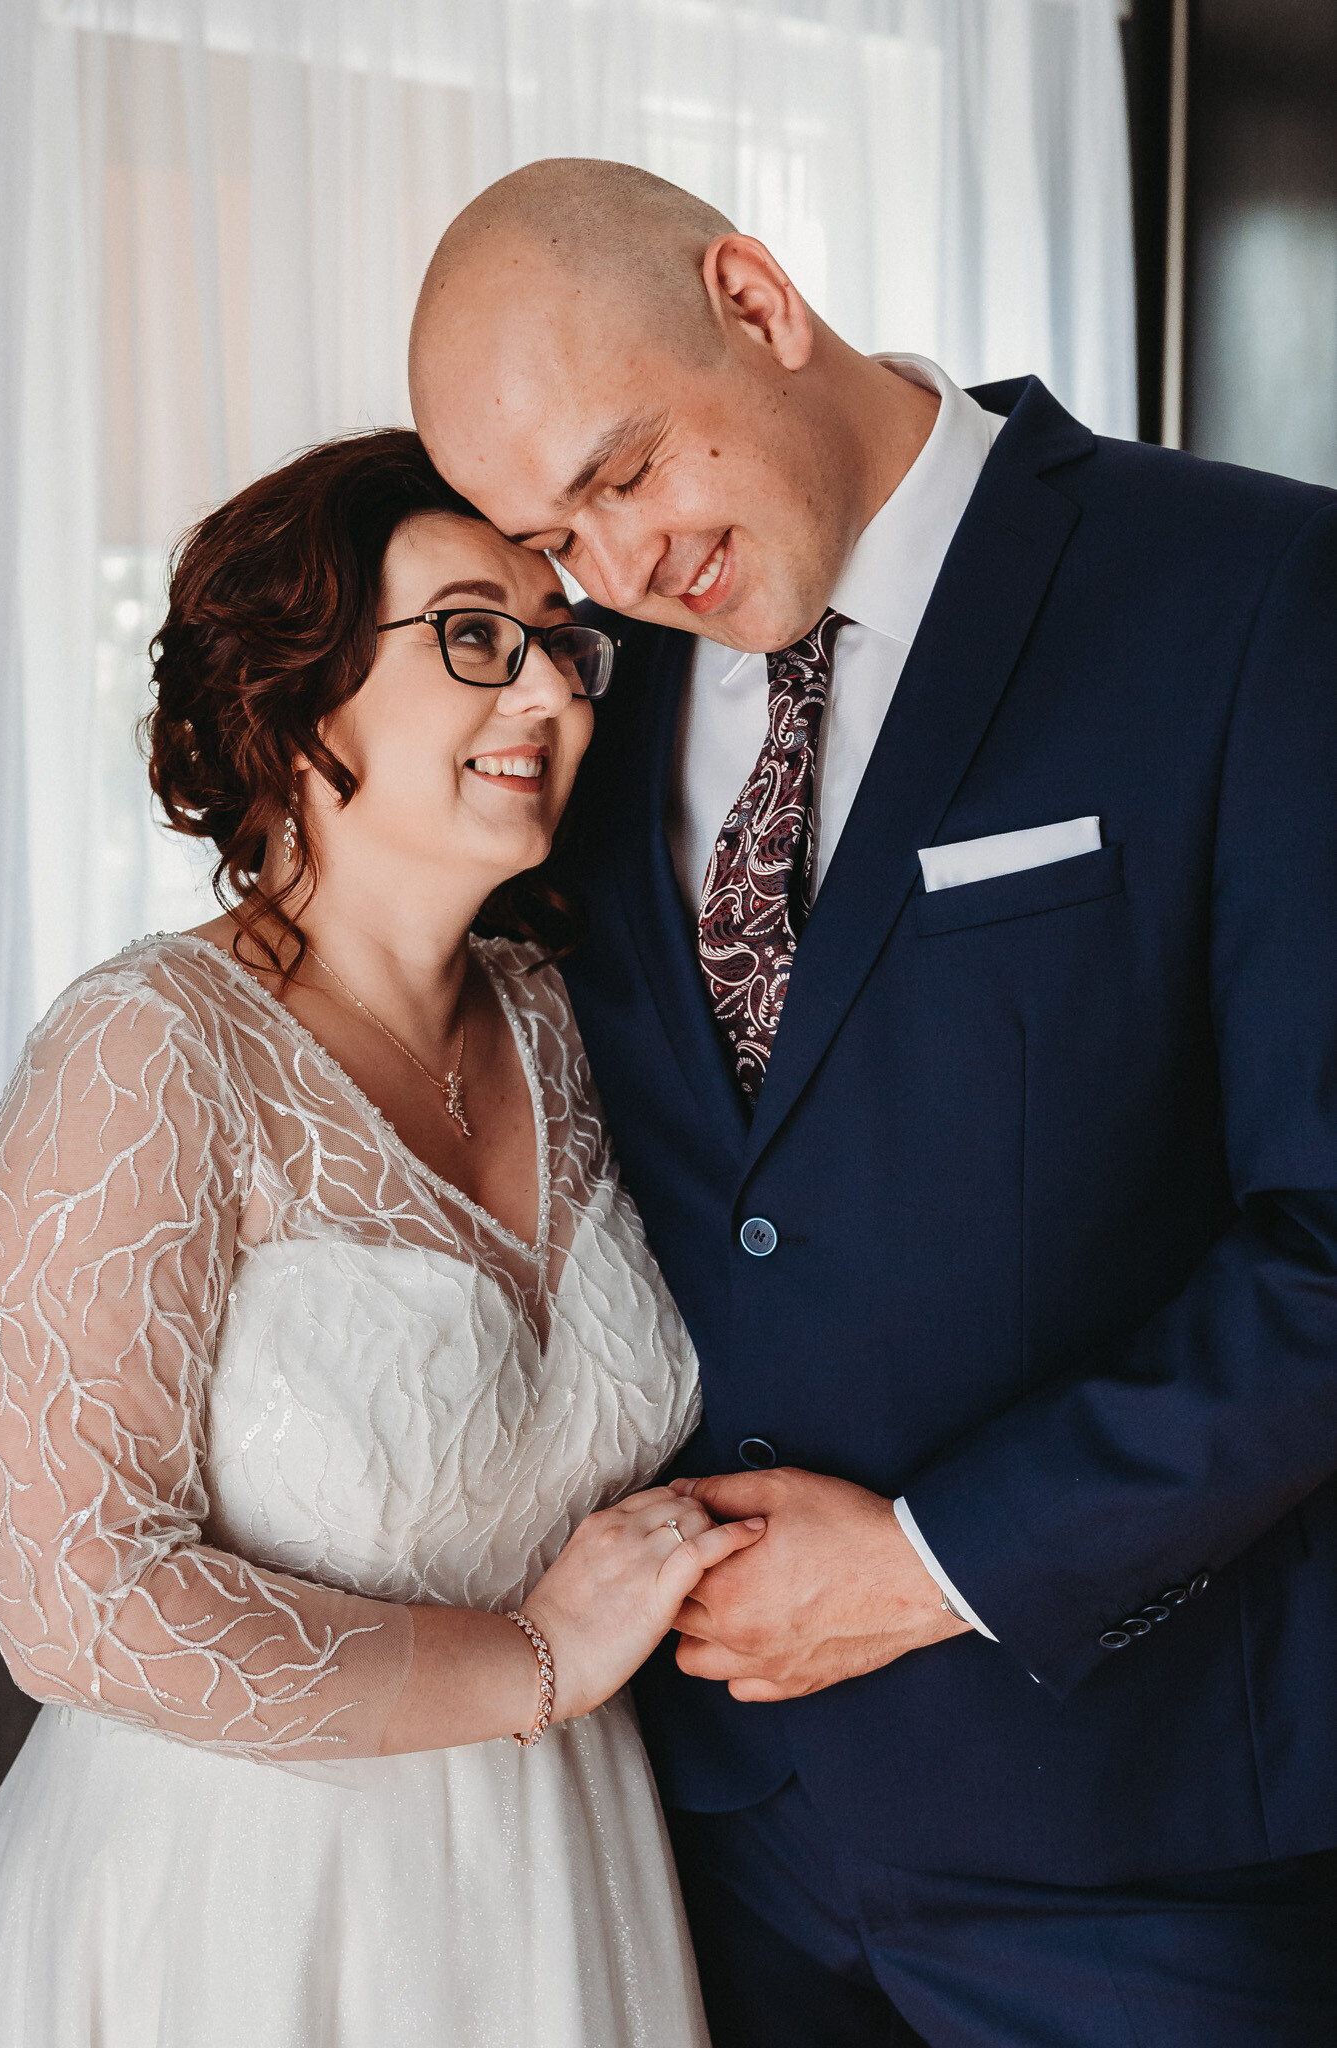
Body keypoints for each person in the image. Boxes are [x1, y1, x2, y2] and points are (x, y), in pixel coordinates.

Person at [408, 159, 1337, 2045]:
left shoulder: (1254, 591)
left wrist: (935, 1566)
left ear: (754, 302)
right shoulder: (593, 710)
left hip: (1138, 1841)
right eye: (555, 540)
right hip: (705, 1846)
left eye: (625, 472)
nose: (618, 570)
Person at [0, 427, 766, 2046]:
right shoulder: (149, 1049)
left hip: (561, 1877)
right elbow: (75, 1597)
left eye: (560, 645)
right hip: (236, 1905)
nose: (548, 694)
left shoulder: (581, 1027)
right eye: (473, 635)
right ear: (296, 692)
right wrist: (535, 1662)